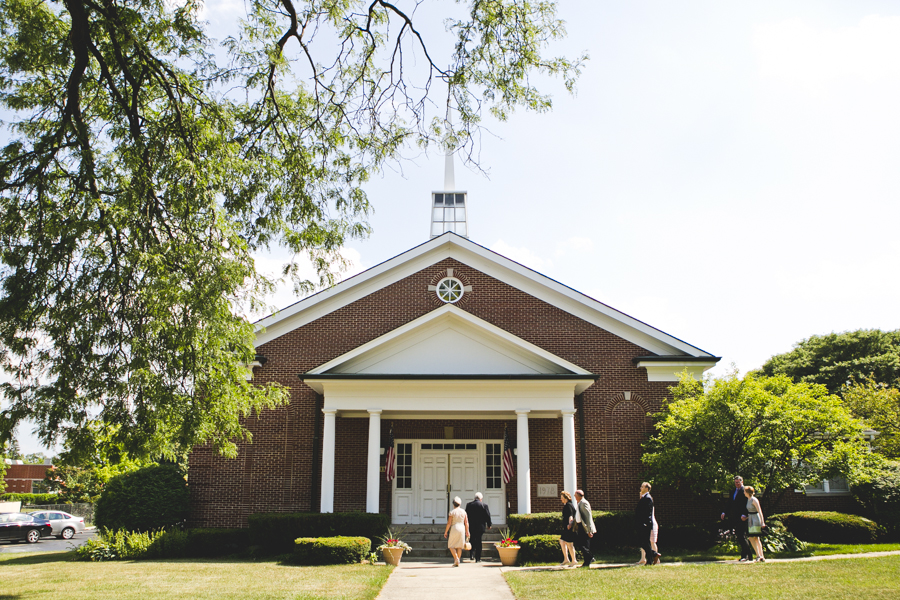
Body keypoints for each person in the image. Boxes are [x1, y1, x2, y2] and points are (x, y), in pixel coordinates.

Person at [721, 476, 752, 562]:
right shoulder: (733, 491)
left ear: (742, 482)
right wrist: (724, 512)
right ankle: (749, 555)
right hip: (735, 516)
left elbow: (748, 503)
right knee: (739, 535)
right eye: (735, 482)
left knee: (742, 535)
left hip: (743, 517)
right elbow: (730, 503)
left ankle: (745, 555)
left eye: (738, 482)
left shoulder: (744, 491)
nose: (737, 484)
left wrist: (745, 514)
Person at [635, 482, 661, 566]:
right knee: (643, 542)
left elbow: (648, 513)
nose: (640, 488)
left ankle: (651, 559)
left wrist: (645, 524)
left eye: (642, 487)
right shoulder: (644, 498)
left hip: (645, 524)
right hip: (642, 523)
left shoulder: (648, 498)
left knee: (644, 542)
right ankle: (653, 555)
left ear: (646, 488)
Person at [465, 492, 492, 563]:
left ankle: (471, 554)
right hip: (480, 527)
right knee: (478, 541)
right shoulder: (484, 505)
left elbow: (466, 516)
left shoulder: (469, 505)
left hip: (471, 526)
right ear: (480, 498)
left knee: (472, 540)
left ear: (475, 498)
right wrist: (489, 524)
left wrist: (465, 525)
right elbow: (487, 516)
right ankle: (478, 558)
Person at [443, 496, 470, 567]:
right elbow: (466, 522)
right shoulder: (464, 512)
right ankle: (457, 561)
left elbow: (449, 523)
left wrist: (446, 531)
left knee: (451, 545)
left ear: (453, 504)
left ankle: (456, 558)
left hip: (455, 527)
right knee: (459, 546)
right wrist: (467, 531)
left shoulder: (452, 512)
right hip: (462, 528)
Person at [573, 489, 596, 568]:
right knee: (582, 544)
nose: (574, 497)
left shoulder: (584, 503)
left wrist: (589, 530)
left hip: (584, 527)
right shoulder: (580, 503)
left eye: (575, 496)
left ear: (578, 496)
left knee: (583, 544)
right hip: (580, 526)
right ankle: (587, 560)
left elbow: (588, 517)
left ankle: (590, 557)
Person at [743, 486, 766, 562]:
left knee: (755, 538)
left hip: (755, 519)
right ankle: (758, 555)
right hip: (750, 519)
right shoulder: (748, 500)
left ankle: (760, 555)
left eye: (745, 491)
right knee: (752, 538)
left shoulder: (754, 500)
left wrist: (762, 522)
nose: (744, 493)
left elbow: (759, 511)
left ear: (748, 492)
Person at [558, 491, 578, 567]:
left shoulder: (569, 506)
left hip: (569, 527)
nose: (561, 499)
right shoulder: (567, 505)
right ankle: (566, 559)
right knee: (562, 541)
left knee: (570, 544)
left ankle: (574, 560)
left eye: (562, 498)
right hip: (566, 528)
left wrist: (570, 524)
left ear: (566, 498)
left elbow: (571, 515)